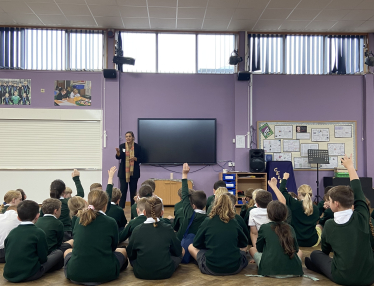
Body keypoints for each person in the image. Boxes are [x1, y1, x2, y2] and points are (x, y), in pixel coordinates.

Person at [305, 155, 374, 285]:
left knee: (316, 254)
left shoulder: (330, 224)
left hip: (344, 278)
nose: (328, 203)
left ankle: (317, 268)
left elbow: (325, 251)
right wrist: (350, 167)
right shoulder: (362, 216)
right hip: (369, 278)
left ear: (336, 204)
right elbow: (358, 190)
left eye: (329, 201)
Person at [64, 190, 128, 285]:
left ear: (87, 202)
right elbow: (113, 247)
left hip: (75, 274)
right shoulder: (111, 222)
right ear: (105, 205)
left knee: (67, 251)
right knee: (123, 251)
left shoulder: (78, 220)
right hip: (105, 273)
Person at [188, 193, 248, 275]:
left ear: (215, 205)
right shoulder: (234, 221)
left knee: (190, 247)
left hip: (211, 267)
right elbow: (244, 243)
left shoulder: (208, 221)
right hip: (234, 267)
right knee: (244, 248)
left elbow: (196, 243)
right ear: (232, 206)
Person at [3, 200, 63, 282]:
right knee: (58, 253)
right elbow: (43, 258)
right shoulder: (38, 232)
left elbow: (7, 252)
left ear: (18, 217)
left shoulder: (12, 232)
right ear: (37, 216)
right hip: (30, 274)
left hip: (9, 274)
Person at [127, 197, 184, 280]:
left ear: (144, 212)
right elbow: (178, 251)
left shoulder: (137, 229)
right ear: (162, 213)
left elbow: (130, 254)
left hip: (141, 272)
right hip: (165, 272)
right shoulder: (168, 228)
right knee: (182, 250)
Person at [249, 201, 303, 277]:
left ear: (269, 214)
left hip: (269, 270)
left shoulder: (264, 227)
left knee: (252, 249)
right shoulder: (290, 227)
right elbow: (296, 249)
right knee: (300, 251)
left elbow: (259, 249)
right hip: (294, 271)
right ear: (285, 214)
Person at [277, 173, 320, 247]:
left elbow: (282, 191)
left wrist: (284, 178)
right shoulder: (316, 208)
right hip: (312, 241)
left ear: (299, 194)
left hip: (295, 241)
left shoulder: (294, 204)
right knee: (319, 227)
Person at [41, 169, 84, 241]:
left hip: (49, 231)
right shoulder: (68, 202)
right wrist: (76, 179)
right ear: (64, 191)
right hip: (66, 233)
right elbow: (80, 194)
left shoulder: (46, 203)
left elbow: (40, 217)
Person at [176, 163, 207, 242]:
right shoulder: (208, 217)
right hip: (199, 246)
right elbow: (185, 195)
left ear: (193, 206)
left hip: (184, 245)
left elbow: (185, 194)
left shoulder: (189, 213)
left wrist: (184, 174)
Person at [115, 131, 143, 208]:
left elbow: (142, 158)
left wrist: (135, 158)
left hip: (134, 172)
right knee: (123, 191)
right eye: (126, 136)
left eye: (129, 136)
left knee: (133, 191)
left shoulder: (138, 147)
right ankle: (121, 207)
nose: (128, 138)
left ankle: (134, 207)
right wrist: (118, 152)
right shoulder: (122, 146)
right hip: (123, 172)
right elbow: (119, 157)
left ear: (133, 137)